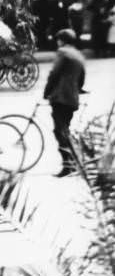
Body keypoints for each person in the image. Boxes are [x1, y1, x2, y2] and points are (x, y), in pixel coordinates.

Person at [43, 29, 86, 177]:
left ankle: (68, 165)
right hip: (72, 99)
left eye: (58, 39)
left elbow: (54, 74)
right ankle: (72, 162)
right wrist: (77, 89)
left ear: (62, 40)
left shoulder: (63, 52)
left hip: (60, 97)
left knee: (60, 132)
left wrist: (46, 92)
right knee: (65, 130)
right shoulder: (78, 55)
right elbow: (81, 78)